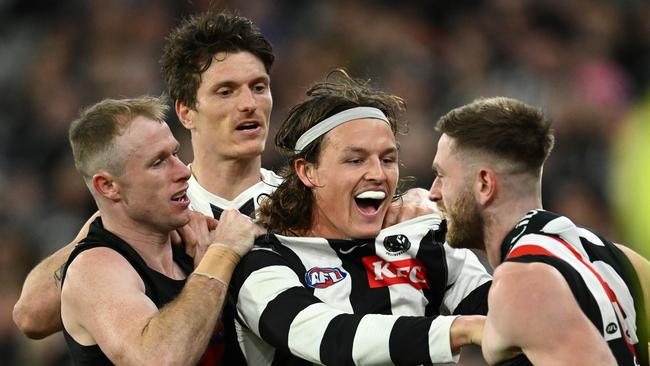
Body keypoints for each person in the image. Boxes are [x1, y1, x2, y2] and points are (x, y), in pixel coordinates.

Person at [12, 10, 437, 363]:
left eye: (259, 87)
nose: (249, 104)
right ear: (186, 111)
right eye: (226, 91)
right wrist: (99, 228)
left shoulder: (312, 199)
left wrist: (414, 208)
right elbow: (32, 316)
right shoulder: (157, 209)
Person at [223, 71, 492, 365]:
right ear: (307, 171)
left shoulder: (424, 239)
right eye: (356, 160)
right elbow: (330, 339)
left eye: (388, 160)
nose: (378, 174)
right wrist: (460, 329)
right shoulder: (264, 261)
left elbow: (507, 314)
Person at [429, 96, 649, 365]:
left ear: (484, 184)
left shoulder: (523, 281)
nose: (433, 193)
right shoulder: (622, 260)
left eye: (442, 175)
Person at [59, 95, 264, 364]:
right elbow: (159, 359)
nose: (183, 171)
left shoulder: (193, 244)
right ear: (108, 186)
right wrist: (221, 256)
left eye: (175, 153)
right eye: (158, 162)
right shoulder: (94, 270)